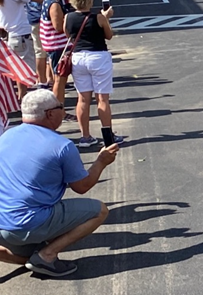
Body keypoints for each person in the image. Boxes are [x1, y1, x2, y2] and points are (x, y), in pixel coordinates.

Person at [0, 90, 119, 276]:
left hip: (3, 223)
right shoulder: (61, 145)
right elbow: (82, 187)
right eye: (60, 107)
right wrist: (101, 161)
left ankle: (29, 254)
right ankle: (47, 256)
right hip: (27, 223)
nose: (63, 111)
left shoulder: (6, 136)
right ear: (50, 114)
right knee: (99, 210)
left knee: (28, 254)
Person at [64, 0, 120, 149]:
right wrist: (106, 18)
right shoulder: (99, 17)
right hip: (98, 57)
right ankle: (108, 136)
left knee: (83, 98)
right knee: (102, 99)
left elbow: (68, 34)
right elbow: (109, 35)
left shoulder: (68, 17)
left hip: (78, 57)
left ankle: (85, 136)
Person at [0, 0, 48, 100]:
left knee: (17, 72)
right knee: (26, 73)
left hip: (9, 34)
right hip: (21, 34)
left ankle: (21, 97)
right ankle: (23, 99)